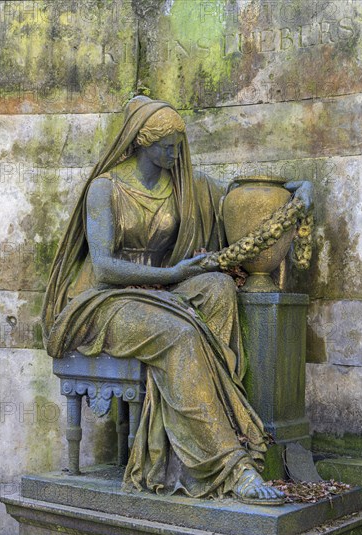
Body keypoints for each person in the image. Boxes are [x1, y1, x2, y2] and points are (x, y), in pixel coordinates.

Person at [42, 95, 289, 504]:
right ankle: (228, 464)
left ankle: (190, 436)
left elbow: (236, 198)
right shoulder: (105, 189)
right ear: (142, 142)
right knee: (179, 334)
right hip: (104, 300)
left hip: (157, 289)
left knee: (218, 288)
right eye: (167, 146)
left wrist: (297, 190)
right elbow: (103, 268)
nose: (176, 153)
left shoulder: (181, 186)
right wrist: (172, 274)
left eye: (178, 144)